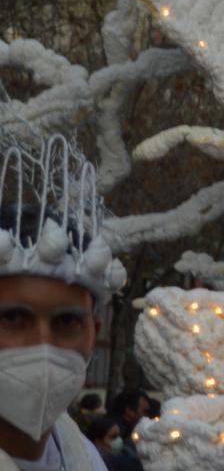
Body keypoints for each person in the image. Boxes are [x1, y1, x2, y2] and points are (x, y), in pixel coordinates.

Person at [0, 134, 128, 471]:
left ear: (93, 333)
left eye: (66, 322)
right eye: (13, 318)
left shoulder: (84, 458)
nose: (43, 345)